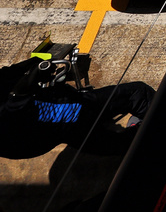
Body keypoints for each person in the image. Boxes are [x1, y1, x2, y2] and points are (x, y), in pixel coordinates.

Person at [0, 52, 152, 159]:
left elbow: (6, 74)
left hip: (33, 130)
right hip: (36, 124)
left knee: (85, 133)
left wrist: (34, 61)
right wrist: (31, 77)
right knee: (137, 94)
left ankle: (127, 142)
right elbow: (14, 105)